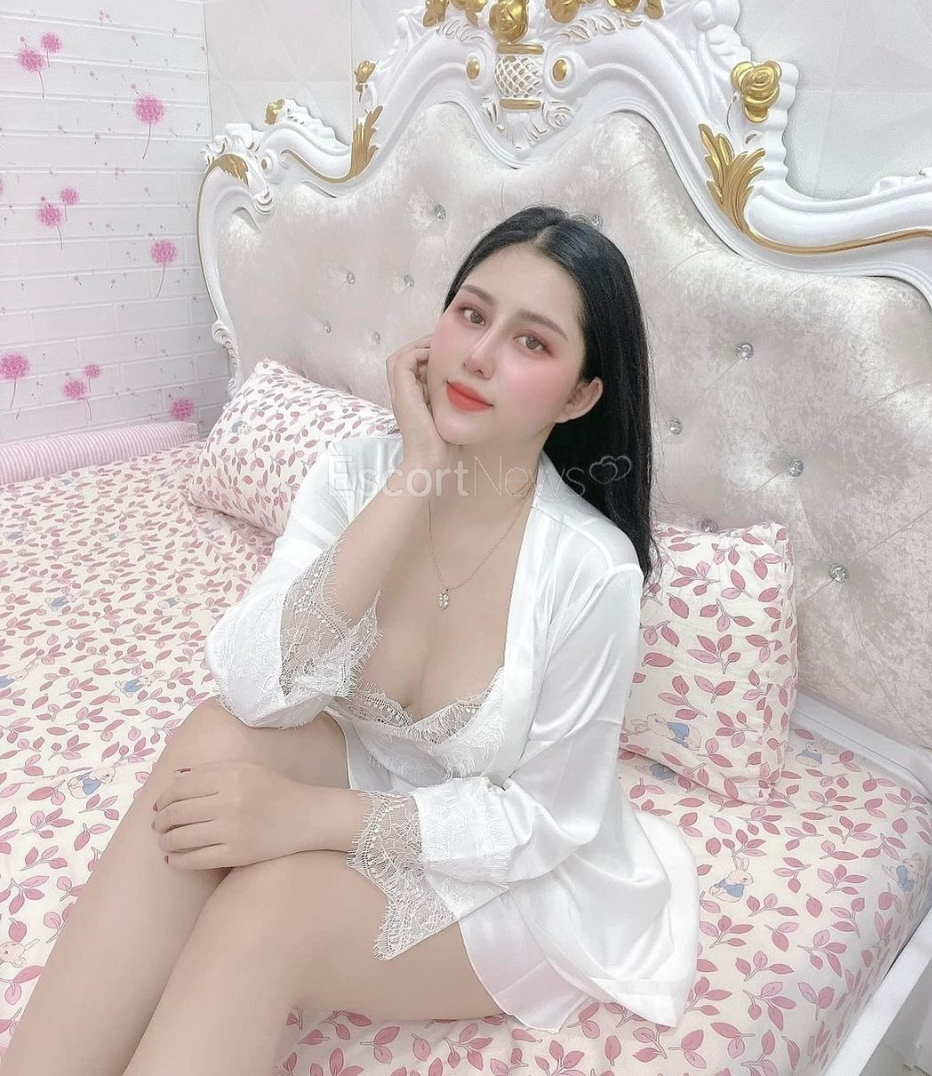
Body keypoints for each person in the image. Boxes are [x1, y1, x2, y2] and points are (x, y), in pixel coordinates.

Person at [2, 205, 699, 1075]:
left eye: (532, 342)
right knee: (214, 739)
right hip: (383, 771)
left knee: (271, 906)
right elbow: (255, 687)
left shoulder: (591, 571)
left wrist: (305, 819)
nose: (479, 355)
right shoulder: (355, 475)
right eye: (472, 314)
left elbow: (543, 822)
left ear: (581, 395)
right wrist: (415, 474)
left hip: (522, 874)